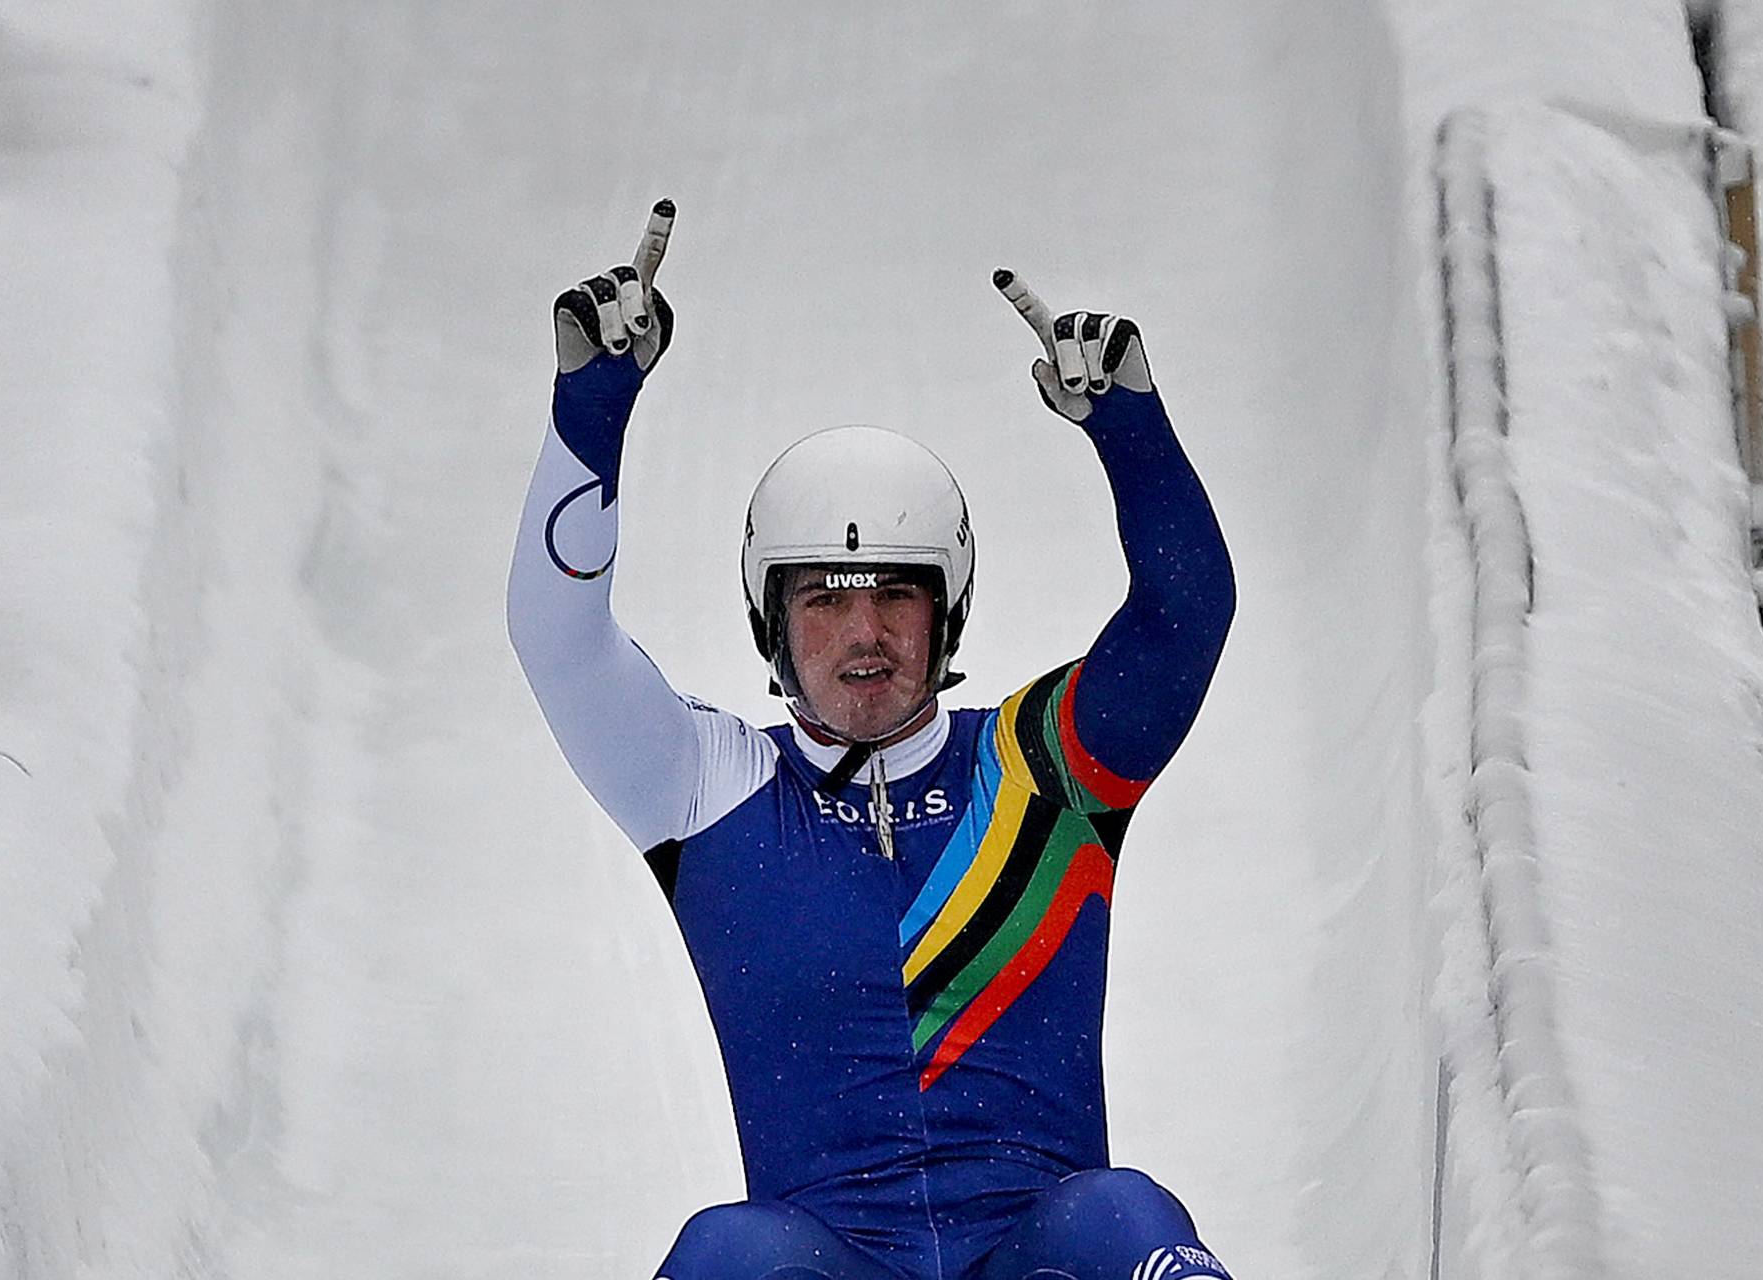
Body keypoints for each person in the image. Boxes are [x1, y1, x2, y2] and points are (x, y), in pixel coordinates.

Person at [508, 201, 1239, 1280]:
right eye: (824, 599)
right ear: (770, 621)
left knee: (1123, 1211)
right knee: (725, 1247)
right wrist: (590, 411)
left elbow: (1185, 616)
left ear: (948, 614)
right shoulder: (708, 788)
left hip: (1040, 1253)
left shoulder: (1043, 769)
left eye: (897, 593)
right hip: (823, 1259)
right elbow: (559, 643)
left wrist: (1131, 432)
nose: (864, 632)